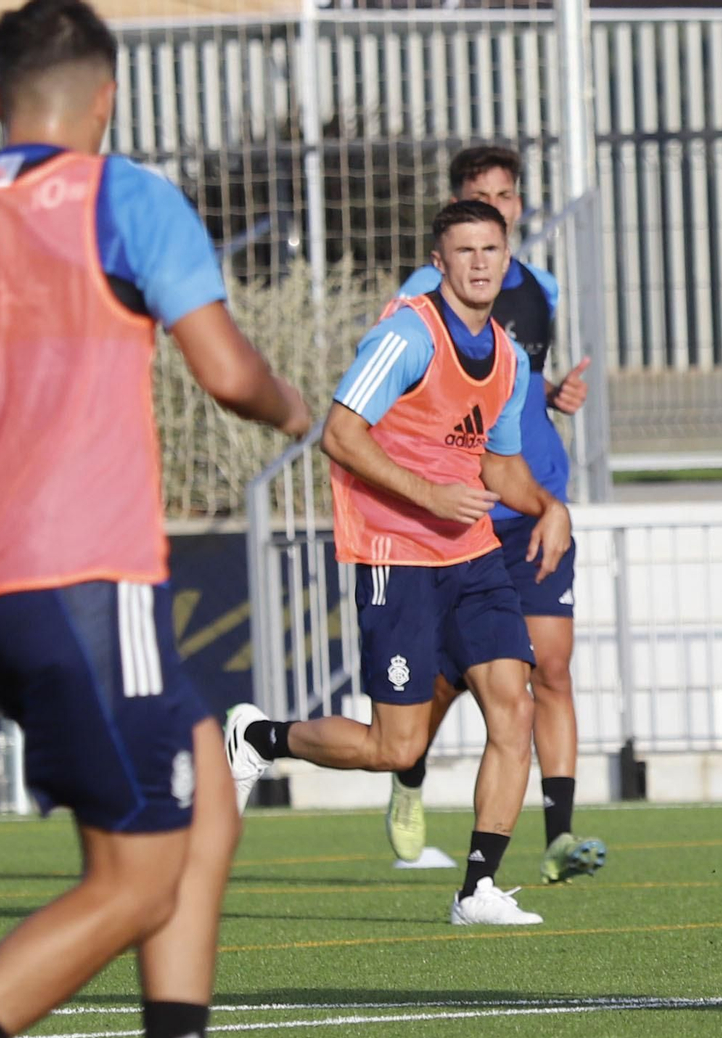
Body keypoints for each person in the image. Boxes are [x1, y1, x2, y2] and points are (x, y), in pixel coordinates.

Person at [0, 1, 310, 1038]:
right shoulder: (126, 199)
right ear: (108, 99)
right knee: (135, 879)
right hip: (87, 586)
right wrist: (289, 405)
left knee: (207, 795)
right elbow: (224, 372)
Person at [225, 199, 571, 927]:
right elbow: (340, 434)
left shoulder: (506, 358)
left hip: (472, 559)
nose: (480, 263)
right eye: (464, 251)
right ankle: (259, 738)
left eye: (491, 250)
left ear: (508, 260)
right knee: (395, 746)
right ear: (438, 264)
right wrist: (430, 496)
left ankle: (477, 887)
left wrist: (548, 508)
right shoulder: (408, 334)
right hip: (395, 556)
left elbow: (500, 468)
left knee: (515, 704)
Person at [384, 145, 604, 886]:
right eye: (481, 197)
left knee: (552, 668)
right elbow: (425, 392)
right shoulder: (425, 292)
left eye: (506, 197)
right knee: (449, 684)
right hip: (462, 510)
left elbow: (507, 389)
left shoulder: (540, 286)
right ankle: (407, 770)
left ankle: (561, 836)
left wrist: (552, 399)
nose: (498, 209)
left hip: (534, 497)